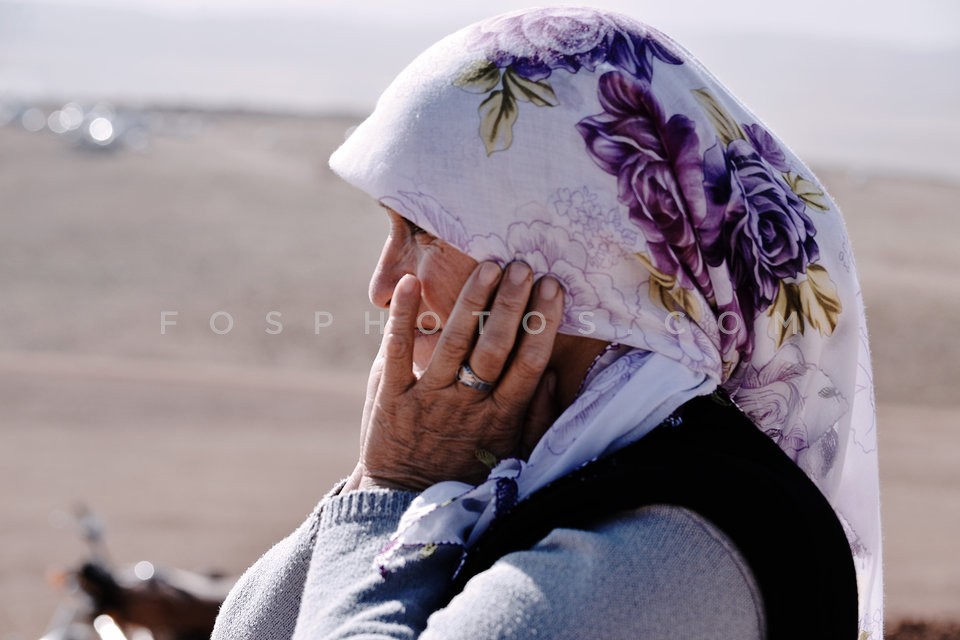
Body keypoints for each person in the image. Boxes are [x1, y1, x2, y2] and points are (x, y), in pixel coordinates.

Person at [212, 7, 882, 639]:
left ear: (576, 254)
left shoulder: (663, 554)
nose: (384, 286)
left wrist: (396, 488)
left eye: (421, 231)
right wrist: (379, 479)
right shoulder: (531, 469)